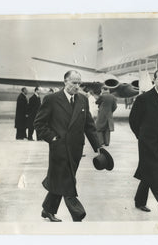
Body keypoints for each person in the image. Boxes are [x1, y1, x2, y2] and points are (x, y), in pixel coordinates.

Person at [34, 70, 102, 222]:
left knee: (60, 179)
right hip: (59, 148)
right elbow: (39, 123)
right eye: (73, 82)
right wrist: (52, 138)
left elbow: (89, 126)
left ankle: (48, 210)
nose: (77, 86)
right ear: (65, 82)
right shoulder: (52, 99)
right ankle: (77, 213)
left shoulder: (83, 100)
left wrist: (98, 147)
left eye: (79, 83)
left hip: (76, 149)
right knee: (67, 180)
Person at [129, 69, 158, 221]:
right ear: (154, 80)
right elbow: (133, 120)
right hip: (146, 143)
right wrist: (141, 136)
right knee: (155, 174)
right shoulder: (144, 98)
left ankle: (139, 201)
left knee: (148, 172)